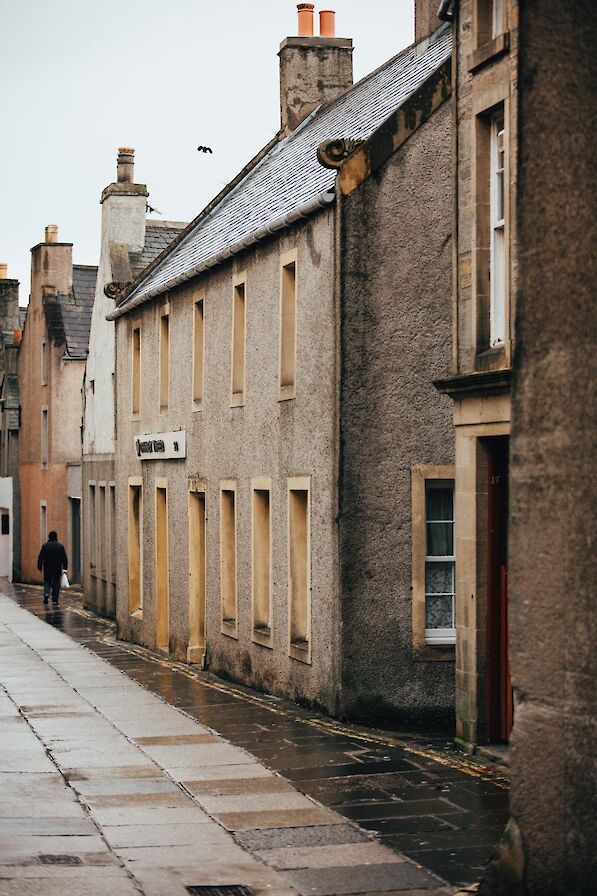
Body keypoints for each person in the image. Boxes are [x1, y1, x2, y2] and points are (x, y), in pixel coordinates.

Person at [37, 531, 68, 605]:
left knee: (47, 581)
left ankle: (46, 594)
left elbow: (40, 557)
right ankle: (55, 598)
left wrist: (39, 566)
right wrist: (65, 568)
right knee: (56, 582)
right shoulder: (60, 546)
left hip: (47, 568)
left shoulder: (45, 546)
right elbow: (64, 558)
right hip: (57, 568)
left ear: (49, 537)